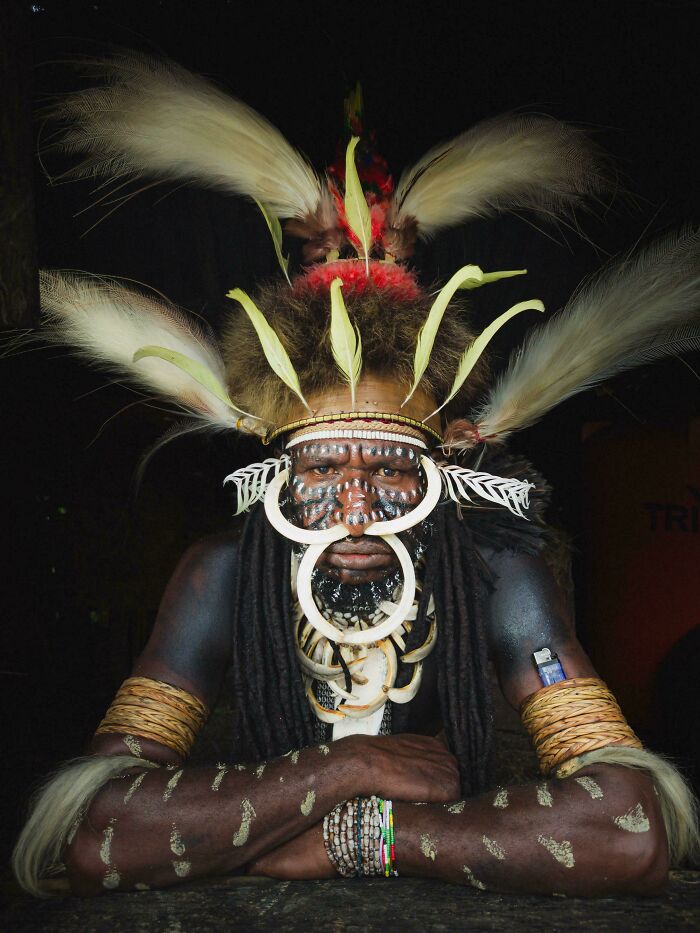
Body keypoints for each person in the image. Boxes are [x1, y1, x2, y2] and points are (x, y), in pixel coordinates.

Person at [13, 53, 699, 897]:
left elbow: (630, 832)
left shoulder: (497, 576)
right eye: (325, 465)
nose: (354, 504)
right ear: (275, 474)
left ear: (443, 470)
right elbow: (92, 830)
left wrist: (361, 837)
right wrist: (345, 771)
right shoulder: (221, 571)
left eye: (389, 468)